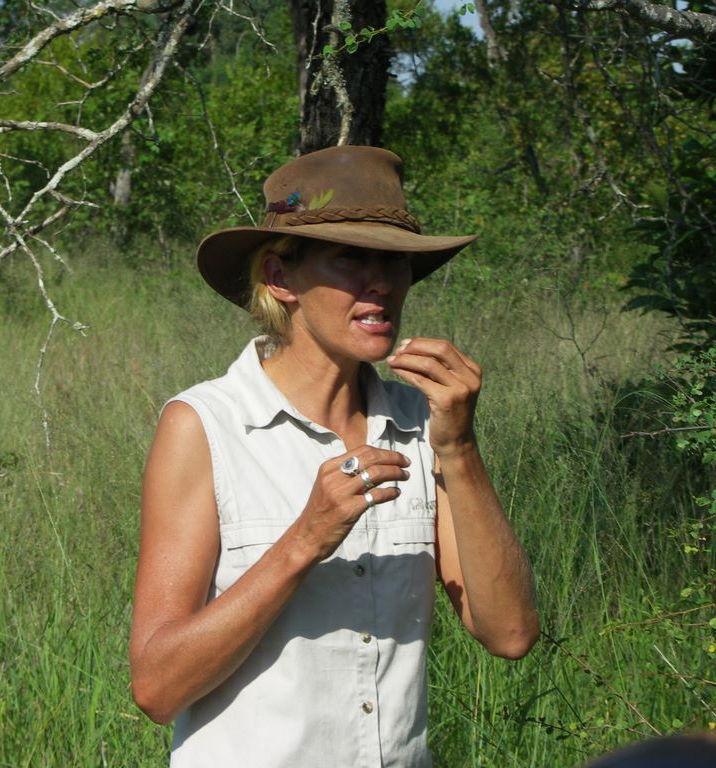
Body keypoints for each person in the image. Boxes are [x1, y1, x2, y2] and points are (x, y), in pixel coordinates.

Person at [129, 146, 539, 767]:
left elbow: (509, 633)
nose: (382, 282)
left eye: (394, 260)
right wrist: (304, 540)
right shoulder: (207, 425)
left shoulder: (421, 422)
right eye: (350, 257)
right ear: (279, 277)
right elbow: (158, 688)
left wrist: (458, 446)